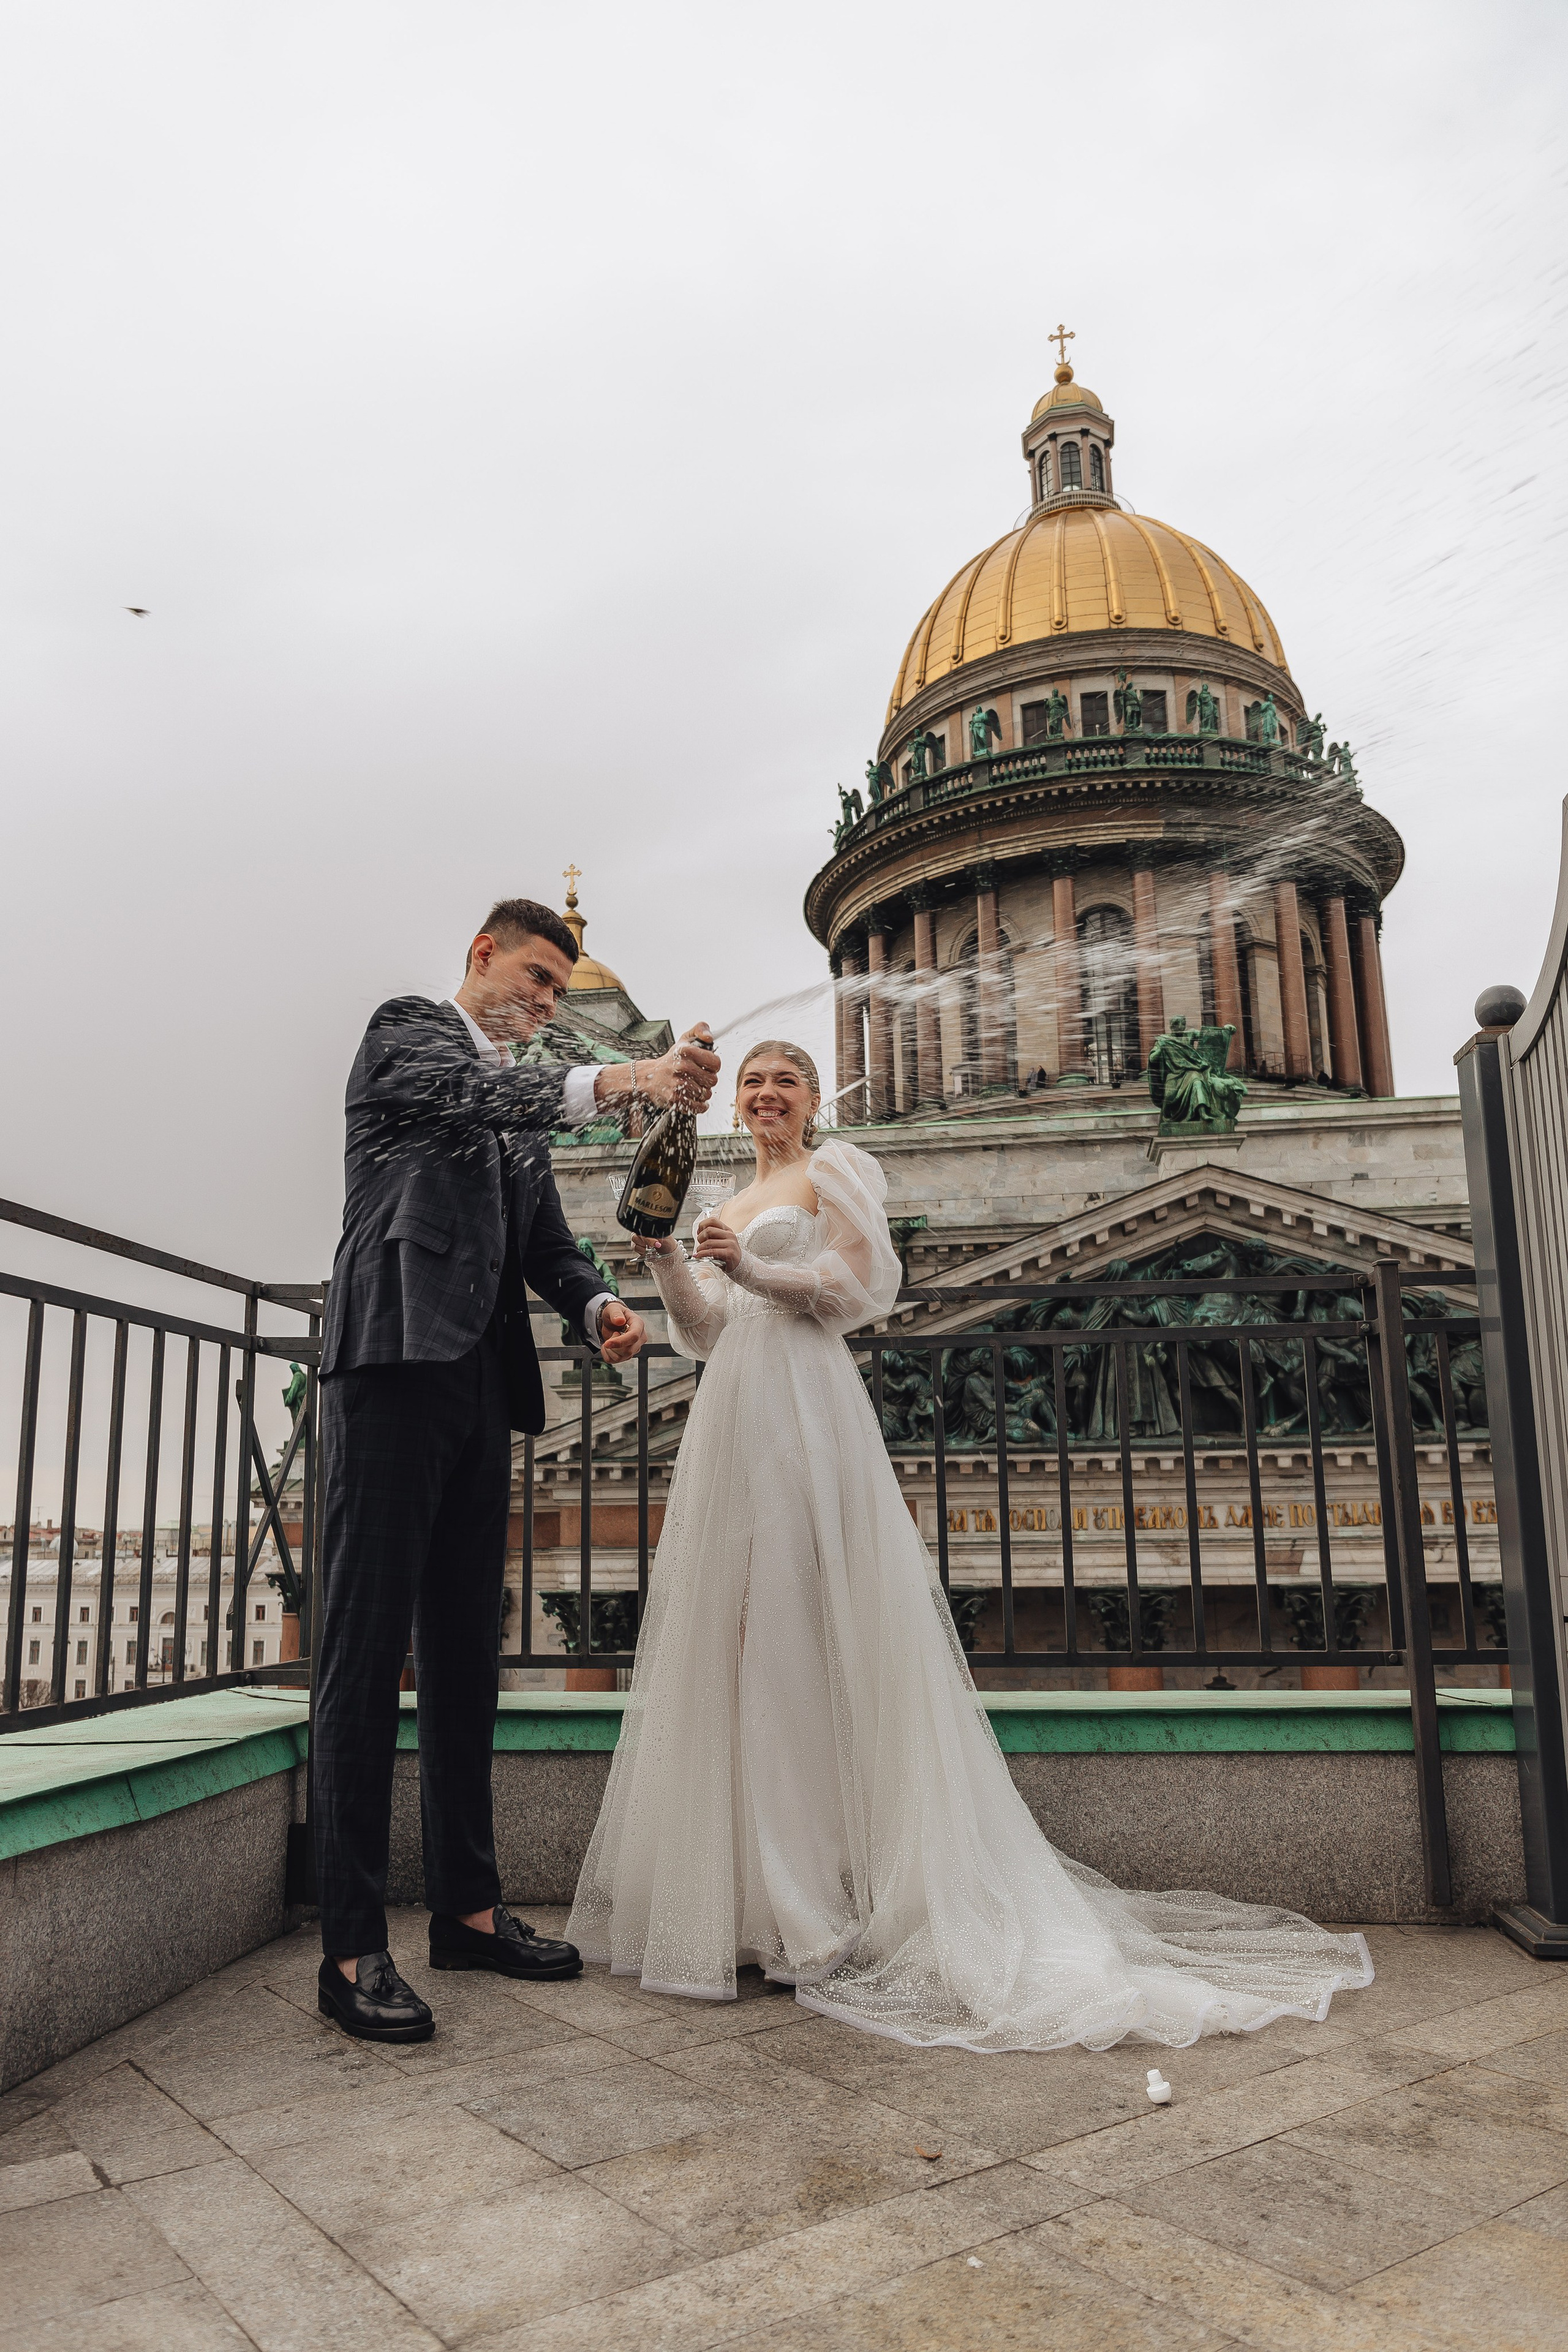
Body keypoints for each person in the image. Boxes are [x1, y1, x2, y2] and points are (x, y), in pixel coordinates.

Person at [567, 1039, 1371, 2051]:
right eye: (753, 1084)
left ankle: (810, 1908)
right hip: (734, 1413)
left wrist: (759, 1264)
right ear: (738, 1101)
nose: (766, 1095)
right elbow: (703, 1331)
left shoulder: (840, 1167)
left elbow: (863, 1291)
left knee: (793, 1638)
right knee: (733, 1651)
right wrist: (669, 1258)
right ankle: (745, 1905)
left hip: (808, 1413)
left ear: (813, 1098)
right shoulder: (721, 1195)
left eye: (786, 1081)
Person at [313, 896, 718, 2043]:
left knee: (463, 1660)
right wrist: (632, 1082)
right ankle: (350, 1951)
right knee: (359, 1658)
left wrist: (596, 1308)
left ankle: (471, 1912)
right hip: (389, 1365)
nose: (545, 1005)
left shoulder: (519, 1114)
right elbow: (475, 1094)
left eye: (556, 990)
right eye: (535, 980)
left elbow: (543, 1243)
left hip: (481, 1386)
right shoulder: (411, 1035)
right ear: (483, 956)